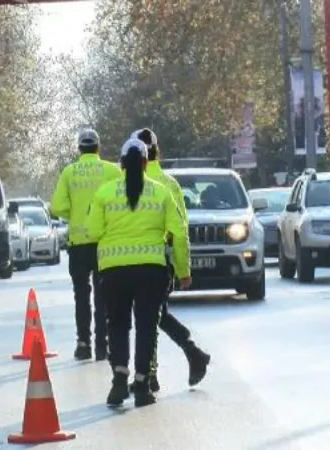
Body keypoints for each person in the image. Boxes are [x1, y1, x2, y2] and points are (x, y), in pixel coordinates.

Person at [85, 138, 191, 407]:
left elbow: (93, 231)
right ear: (146, 162)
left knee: (118, 324)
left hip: (113, 272)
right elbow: (179, 233)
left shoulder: (104, 194)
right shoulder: (161, 193)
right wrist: (182, 270)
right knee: (146, 325)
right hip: (151, 271)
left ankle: (119, 379)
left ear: (121, 164)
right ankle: (142, 386)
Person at [131, 128, 210, 392]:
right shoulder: (170, 183)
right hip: (160, 260)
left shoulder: (126, 181)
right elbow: (181, 230)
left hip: (135, 260)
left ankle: (151, 372)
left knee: (149, 317)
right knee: (154, 315)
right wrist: (182, 267)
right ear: (156, 150)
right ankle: (185, 357)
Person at [51, 129, 123, 361]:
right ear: (98, 147)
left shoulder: (69, 172)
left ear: (79, 148)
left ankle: (83, 344)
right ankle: (103, 346)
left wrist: (75, 215)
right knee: (104, 296)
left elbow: (56, 207)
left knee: (81, 296)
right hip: (105, 243)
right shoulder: (112, 171)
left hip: (79, 243)